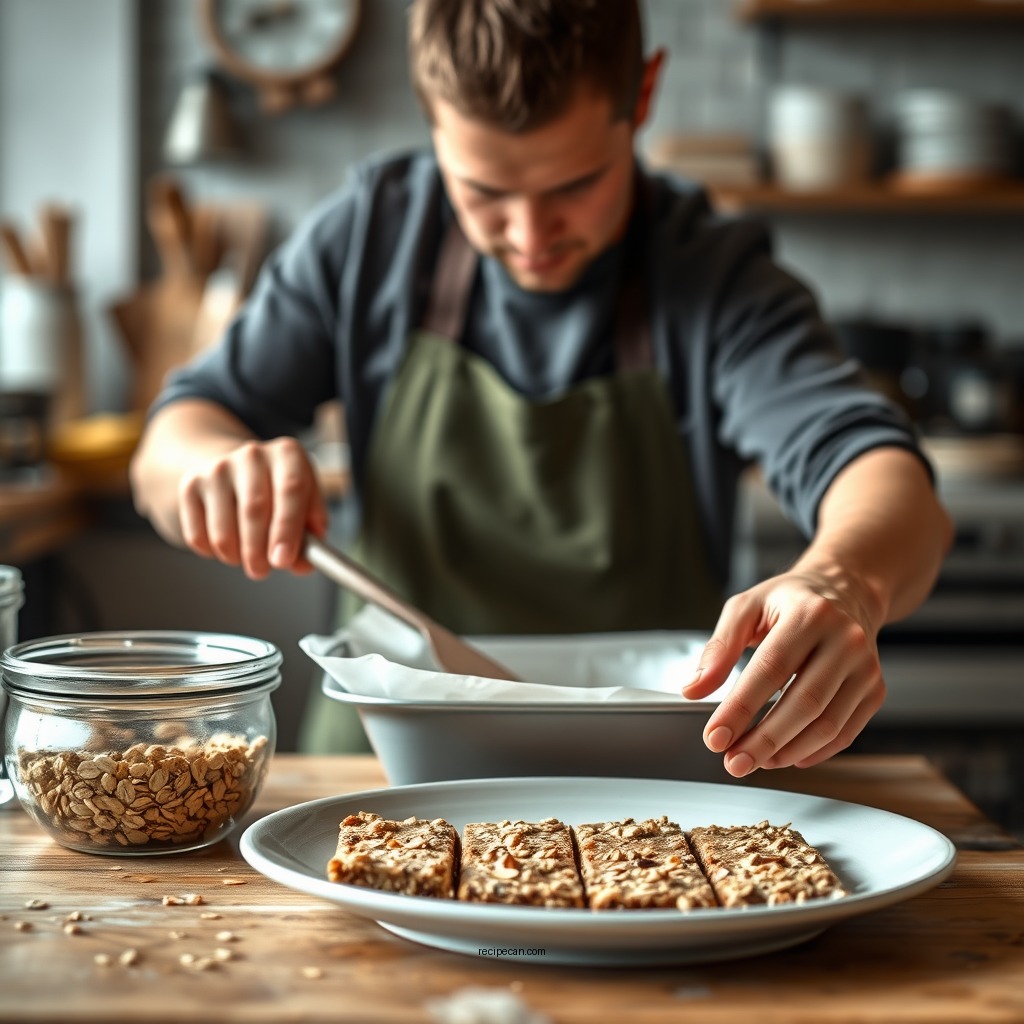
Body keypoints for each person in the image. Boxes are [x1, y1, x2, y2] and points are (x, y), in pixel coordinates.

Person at [130, 0, 953, 776]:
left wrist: (843, 581)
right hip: (378, 768)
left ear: (644, 91)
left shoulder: (713, 275)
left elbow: (881, 476)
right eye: (483, 192)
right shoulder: (370, 236)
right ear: (430, 116)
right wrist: (211, 469)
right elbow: (174, 441)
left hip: (656, 774)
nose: (529, 237)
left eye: (573, 185)